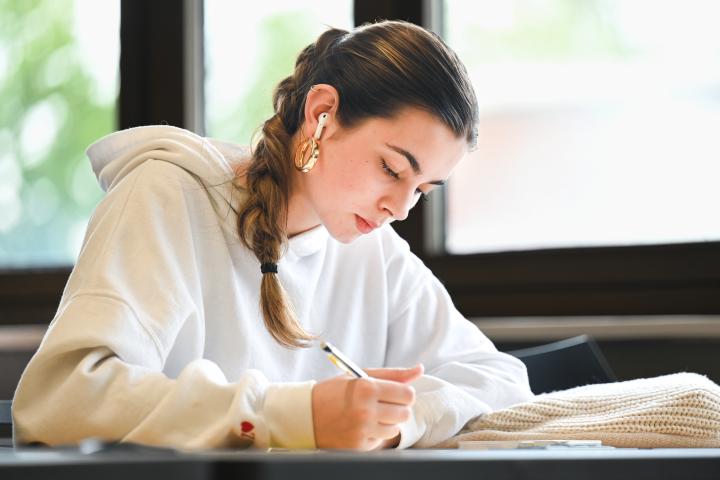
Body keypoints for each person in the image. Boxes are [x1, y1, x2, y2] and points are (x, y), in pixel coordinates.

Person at [12, 20, 532, 451]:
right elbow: (59, 400)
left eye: (424, 189)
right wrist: (292, 416)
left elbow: (502, 379)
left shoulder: (372, 251)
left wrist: (399, 418)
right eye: (392, 169)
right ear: (321, 114)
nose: (399, 208)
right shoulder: (167, 196)